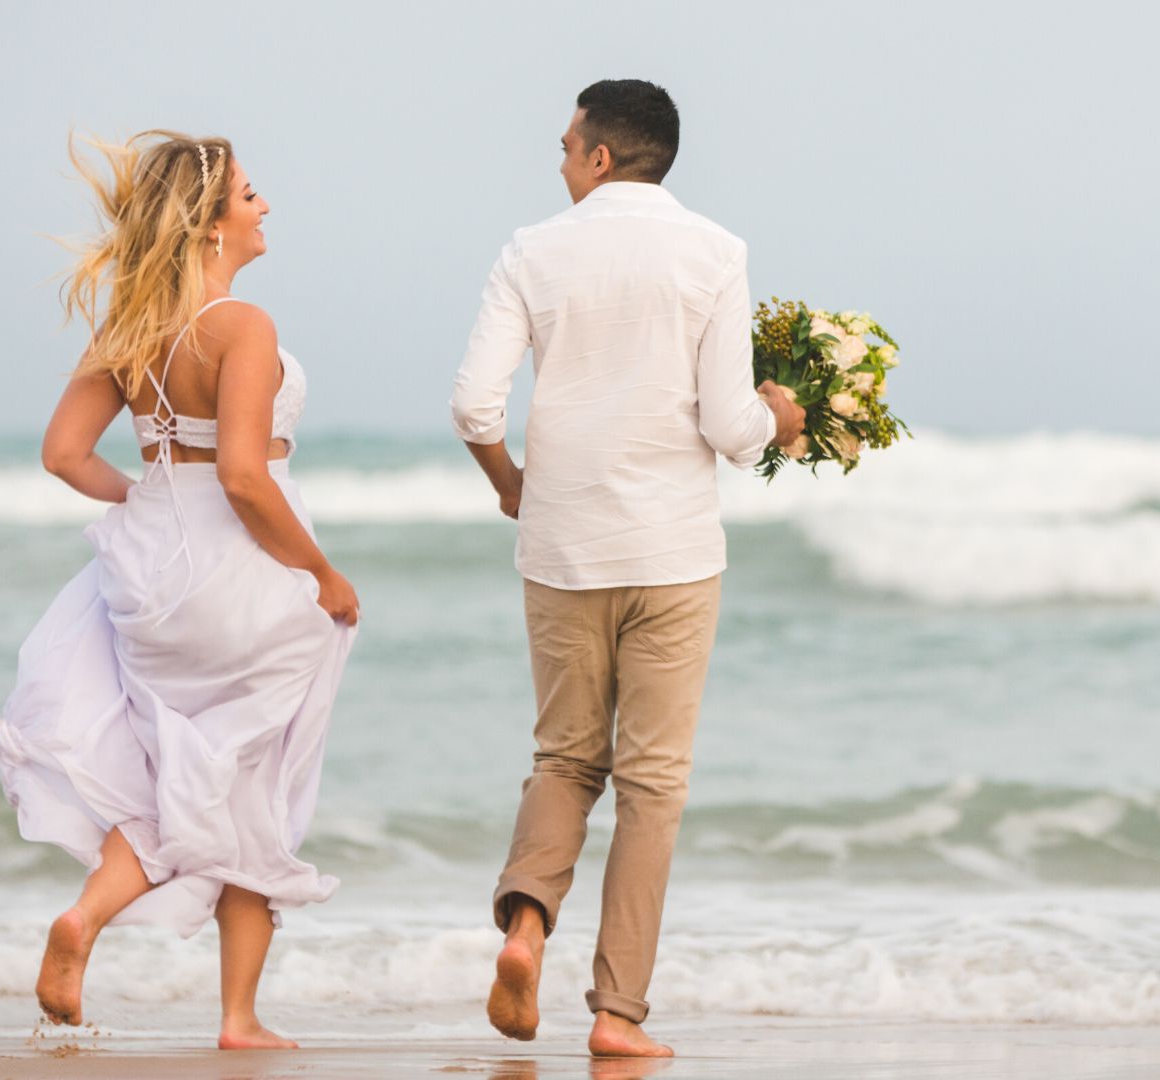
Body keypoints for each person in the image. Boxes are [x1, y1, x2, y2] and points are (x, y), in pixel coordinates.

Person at [0, 129, 360, 1050]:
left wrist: (145, 497)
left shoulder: (131, 328)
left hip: (154, 579)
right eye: (251, 194)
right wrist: (322, 570)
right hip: (242, 576)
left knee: (167, 774)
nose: (265, 207)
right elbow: (244, 477)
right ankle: (237, 1017)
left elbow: (64, 456)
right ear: (212, 221)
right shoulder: (244, 326)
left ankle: (84, 920)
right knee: (252, 779)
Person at [450, 80, 806, 1058]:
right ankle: (617, 1018)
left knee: (566, 758)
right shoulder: (715, 252)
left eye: (567, 144)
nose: (559, 158)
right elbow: (733, 430)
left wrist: (509, 482)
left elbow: (475, 405)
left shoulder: (531, 252)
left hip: (563, 550)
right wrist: (781, 413)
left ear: (602, 156)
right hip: (674, 556)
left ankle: (526, 929)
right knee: (652, 783)